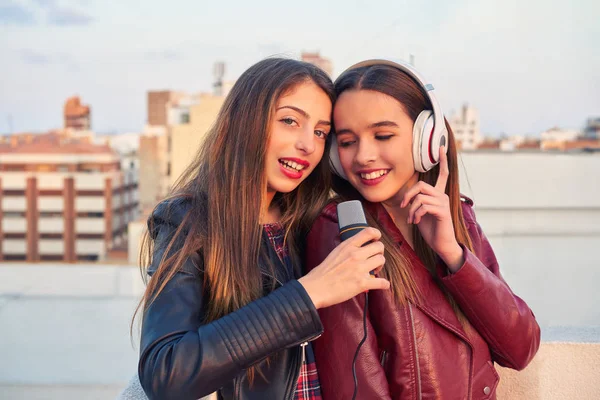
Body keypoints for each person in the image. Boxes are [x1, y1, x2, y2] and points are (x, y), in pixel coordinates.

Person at [134, 58, 390, 400]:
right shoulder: (188, 221)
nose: (308, 145)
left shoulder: (314, 222)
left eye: (320, 132)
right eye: (289, 121)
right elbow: (166, 373)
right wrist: (309, 294)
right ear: (245, 122)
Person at [305, 59, 541, 399]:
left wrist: (454, 255)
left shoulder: (457, 217)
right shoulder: (340, 231)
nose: (363, 156)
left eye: (383, 135)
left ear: (426, 139)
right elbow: (355, 387)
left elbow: (520, 349)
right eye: (346, 141)